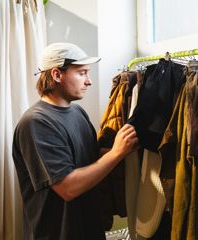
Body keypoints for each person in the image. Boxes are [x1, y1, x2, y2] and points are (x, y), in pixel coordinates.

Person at [12, 42, 138, 240]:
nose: (88, 81)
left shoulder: (77, 112)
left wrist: (124, 148)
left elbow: (89, 160)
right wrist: (116, 153)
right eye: (81, 73)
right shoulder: (36, 123)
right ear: (56, 75)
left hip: (89, 228)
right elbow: (67, 187)